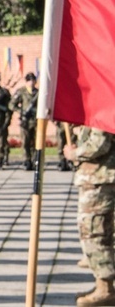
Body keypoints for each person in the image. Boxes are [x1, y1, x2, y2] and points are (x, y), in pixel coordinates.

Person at [63, 127, 115, 306]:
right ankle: (104, 286)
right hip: (101, 178)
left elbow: (99, 143)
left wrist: (74, 153)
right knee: (105, 232)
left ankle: (105, 289)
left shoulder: (103, 106)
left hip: (100, 179)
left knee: (93, 233)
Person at [10, 73, 39, 171]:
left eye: (33, 80)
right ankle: (26, 160)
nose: (31, 83)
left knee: (36, 142)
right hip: (25, 121)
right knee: (25, 141)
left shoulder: (38, 93)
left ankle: (35, 160)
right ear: (26, 82)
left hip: (35, 121)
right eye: (29, 81)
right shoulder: (21, 92)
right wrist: (21, 111)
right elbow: (11, 105)